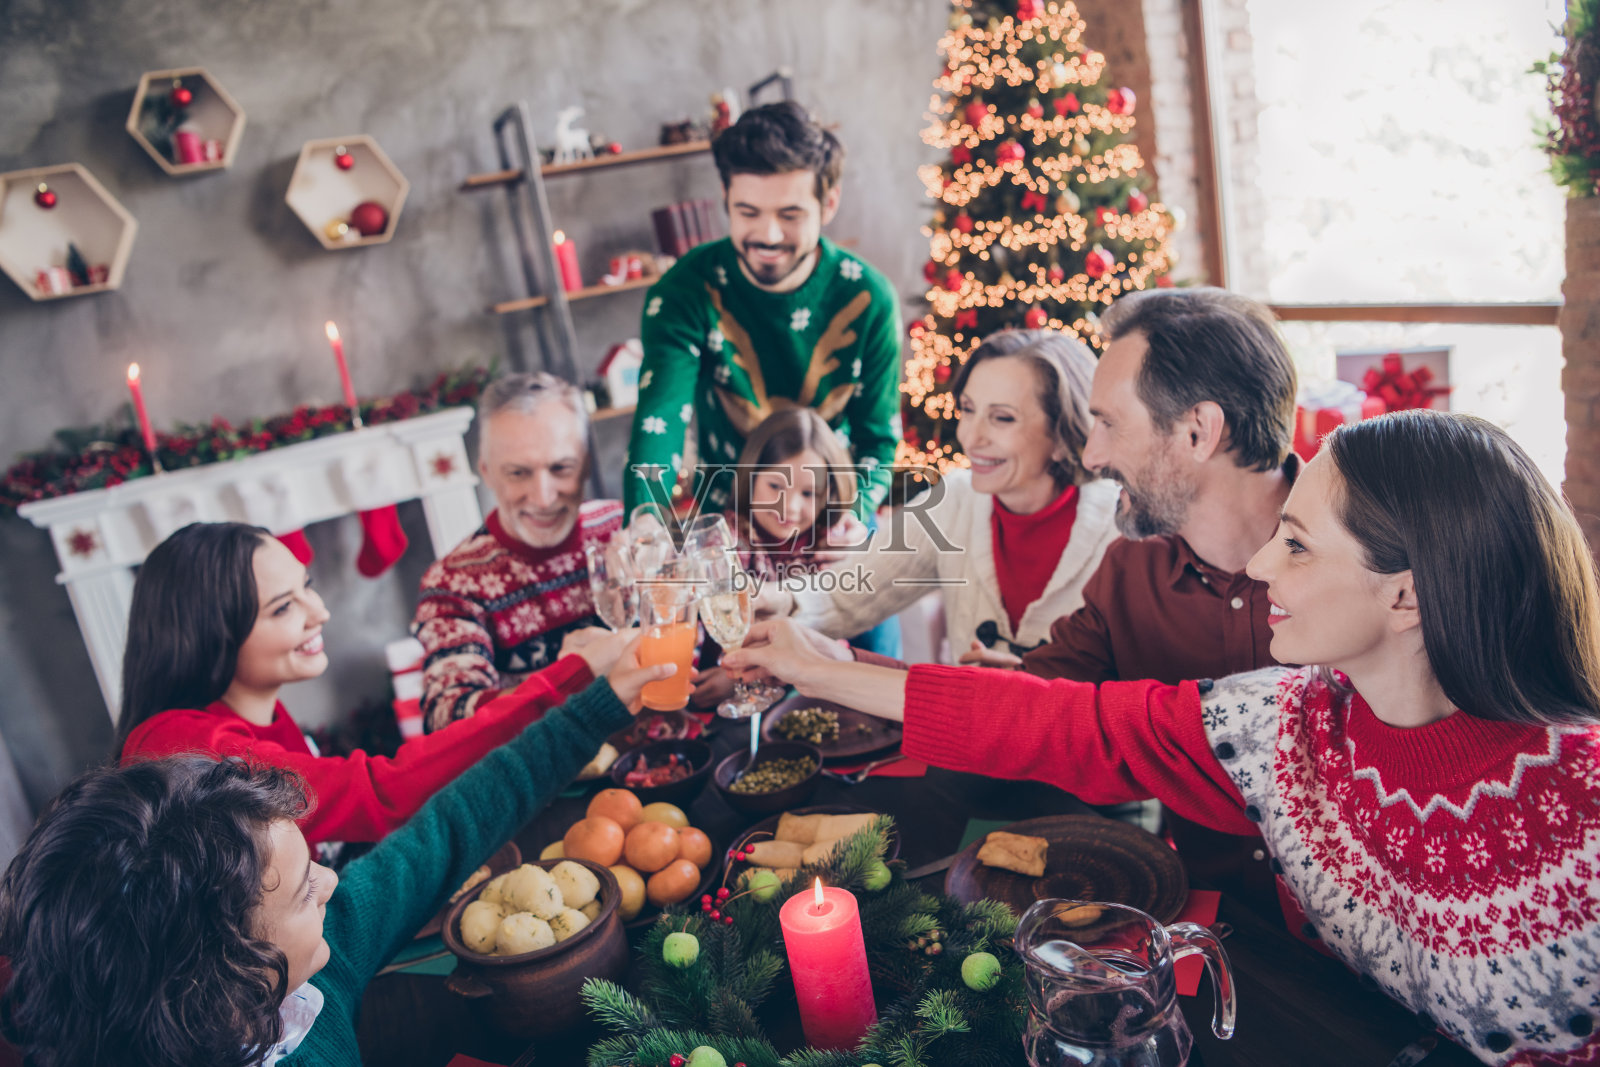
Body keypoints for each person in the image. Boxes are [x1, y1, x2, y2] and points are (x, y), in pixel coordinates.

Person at [726, 410, 1600, 1066]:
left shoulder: (1584, 800)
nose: (1259, 565)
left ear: (1405, 595)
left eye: (1297, 547)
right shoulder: (1280, 725)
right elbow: (1059, 722)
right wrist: (819, 667)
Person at [0, 646, 672, 1067]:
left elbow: (446, 828)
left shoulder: (309, 966)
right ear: (226, 973)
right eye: (303, 889)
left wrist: (594, 711)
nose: (332, 882)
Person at [1018, 287, 1300, 900]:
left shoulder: (1376, 559)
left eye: (1109, 423)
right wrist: (842, 668)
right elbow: (1022, 708)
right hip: (1206, 923)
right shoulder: (1128, 573)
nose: (1092, 455)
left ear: (1198, 432)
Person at [118, 522, 628, 847]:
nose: (320, 613)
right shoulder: (183, 747)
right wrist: (569, 676)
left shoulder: (255, 717)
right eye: (284, 607)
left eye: (307, 587)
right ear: (213, 635)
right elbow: (382, 795)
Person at [760, 330, 1120, 663]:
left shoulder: (1119, 531)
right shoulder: (955, 500)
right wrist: (771, 599)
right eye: (968, 409)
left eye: (1002, 418)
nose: (970, 437)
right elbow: (847, 594)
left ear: (1062, 434)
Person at [623, 100, 902, 522]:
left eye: (790, 215)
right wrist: (647, 518)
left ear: (829, 204)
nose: (769, 235)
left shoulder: (870, 297)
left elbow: (877, 440)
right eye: (748, 212)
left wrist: (854, 516)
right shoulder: (684, 290)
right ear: (725, 198)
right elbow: (660, 418)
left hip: (828, 517)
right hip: (726, 521)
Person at [414, 373, 623, 732]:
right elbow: (445, 719)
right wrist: (566, 679)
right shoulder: (452, 582)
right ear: (487, 472)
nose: (543, 497)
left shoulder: (622, 527)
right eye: (518, 473)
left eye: (561, 468)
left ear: (586, 464)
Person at [689, 407, 888, 707]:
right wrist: (730, 673)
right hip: (729, 693)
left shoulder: (833, 544)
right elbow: (700, 625)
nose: (789, 507)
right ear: (751, 477)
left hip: (814, 693)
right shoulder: (723, 543)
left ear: (828, 493)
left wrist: (744, 674)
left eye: (808, 494)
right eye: (775, 486)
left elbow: (837, 630)